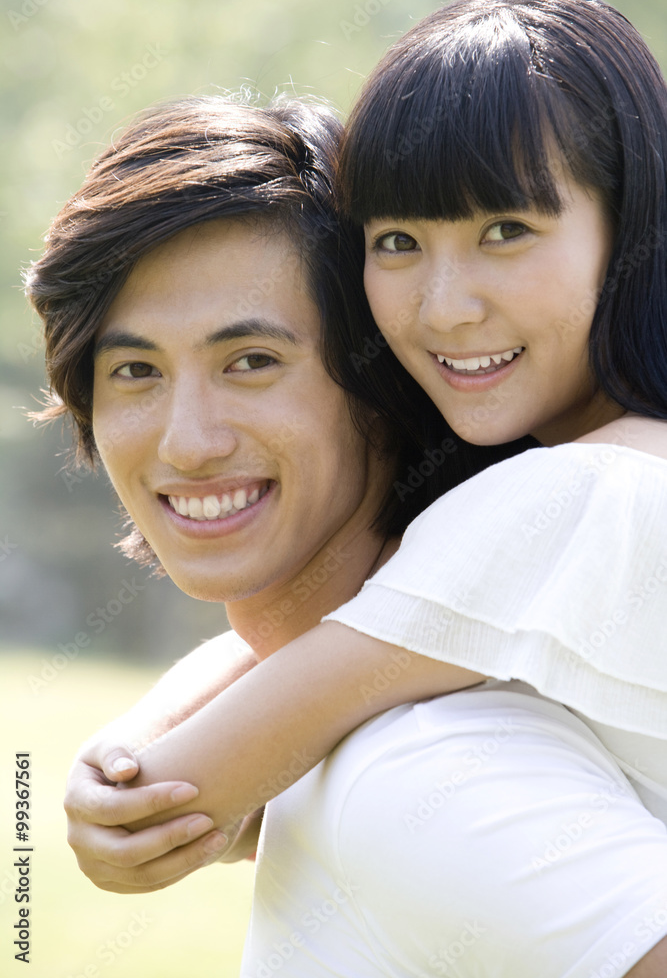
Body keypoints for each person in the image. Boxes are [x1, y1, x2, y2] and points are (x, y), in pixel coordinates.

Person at [33, 78, 667, 978]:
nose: (188, 441)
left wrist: (140, 792)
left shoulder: (421, 773)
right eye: (134, 370)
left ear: (387, 384)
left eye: (252, 361)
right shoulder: (354, 728)